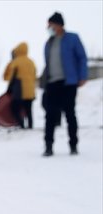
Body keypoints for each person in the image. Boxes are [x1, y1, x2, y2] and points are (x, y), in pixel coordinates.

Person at [41, 12, 88, 156]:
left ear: (59, 25)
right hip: (52, 83)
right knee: (50, 115)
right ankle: (48, 145)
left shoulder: (72, 39)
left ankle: (73, 144)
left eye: (51, 24)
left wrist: (82, 76)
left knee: (69, 113)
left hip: (68, 82)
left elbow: (82, 58)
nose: (49, 27)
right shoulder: (49, 43)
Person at [3, 43, 37, 129]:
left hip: (20, 89)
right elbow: (35, 75)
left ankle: (21, 125)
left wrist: (9, 89)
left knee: (15, 108)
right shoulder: (31, 62)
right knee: (28, 109)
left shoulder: (15, 62)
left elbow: (10, 77)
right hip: (30, 90)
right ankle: (30, 126)